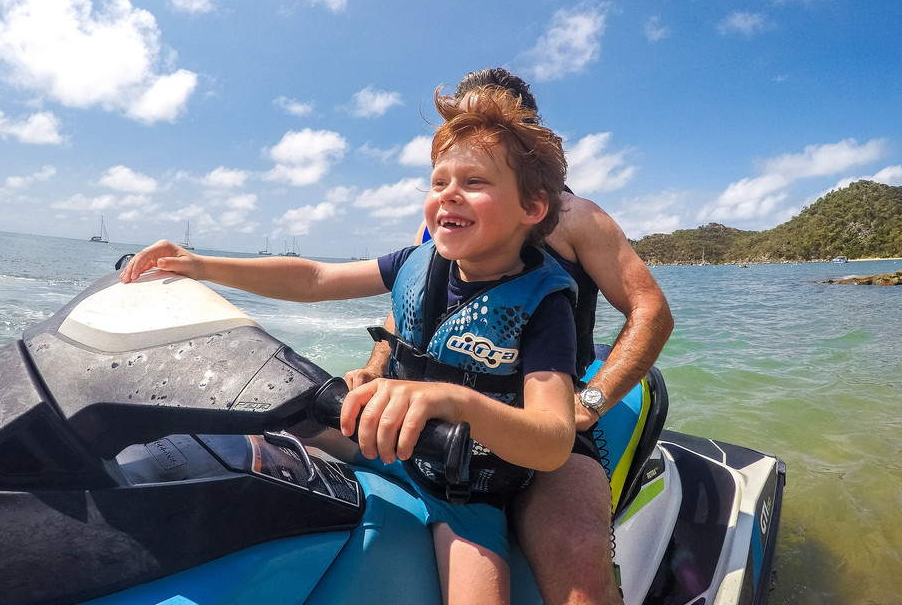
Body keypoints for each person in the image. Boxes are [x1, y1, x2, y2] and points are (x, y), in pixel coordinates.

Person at [120, 86, 580, 605]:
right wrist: (202, 265)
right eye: (439, 182)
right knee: (249, 428)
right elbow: (314, 278)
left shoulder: (544, 304)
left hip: (465, 492)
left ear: (532, 206)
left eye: (474, 182)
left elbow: (552, 440)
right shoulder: (414, 263)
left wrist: (457, 402)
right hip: (381, 443)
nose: (448, 194)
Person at [347, 68, 674, 605]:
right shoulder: (442, 222)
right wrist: (376, 365)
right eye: (459, 121)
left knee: (580, 574)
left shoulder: (575, 217)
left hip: (538, 417)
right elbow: (410, 307)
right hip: (440, 418)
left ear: (524, 130)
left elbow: (650, 311)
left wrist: (590, 400)